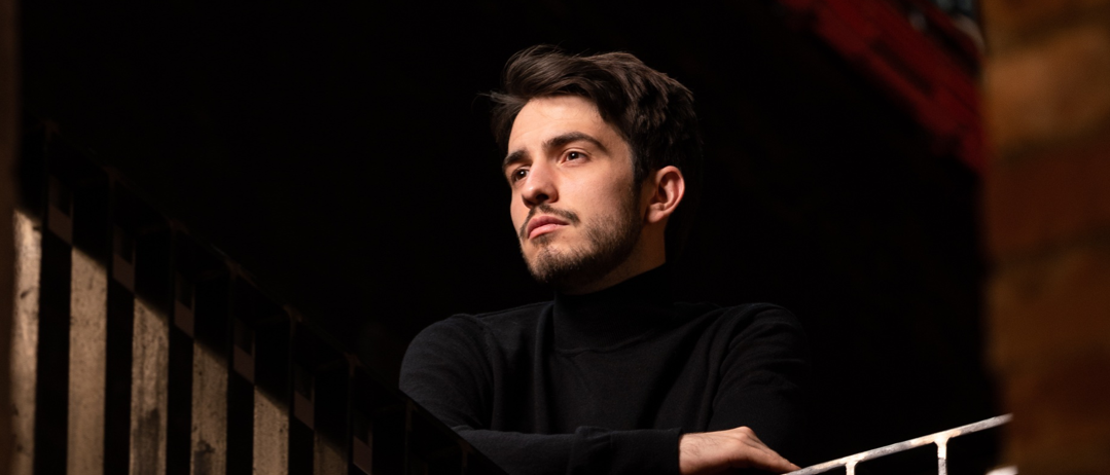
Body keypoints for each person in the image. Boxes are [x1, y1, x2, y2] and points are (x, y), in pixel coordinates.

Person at [400, 45, 809, 475]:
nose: (532, 189)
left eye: (572, 155)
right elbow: (419, 454)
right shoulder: (464, 350)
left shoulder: (745, 343)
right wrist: (670, 454)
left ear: (660, 194)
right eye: (519, 172)